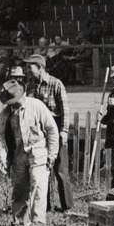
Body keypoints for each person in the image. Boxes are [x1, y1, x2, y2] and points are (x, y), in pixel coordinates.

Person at [0, 80, 60, 226]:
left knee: (38, 182)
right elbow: (1, 137)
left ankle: (38, 220)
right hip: (18, 153)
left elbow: (51, 129)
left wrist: (52, 154)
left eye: (14, 101)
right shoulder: (5, 113)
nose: (13, 105)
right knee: (20, 187)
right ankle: (19, 220)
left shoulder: (36, 106)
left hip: (38, 151)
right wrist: (2, 157)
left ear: (22, 95)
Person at [24, 54, 73, 213]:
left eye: (30, 66)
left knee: (60, 170)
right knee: (41, 170)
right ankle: (45, 207)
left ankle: (67, 207)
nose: (28, 70)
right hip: (38, 134)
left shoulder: (56, 84)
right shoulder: (30, 86)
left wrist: (64, 131)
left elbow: (65, 109)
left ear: (39, 67)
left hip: (55, 131)